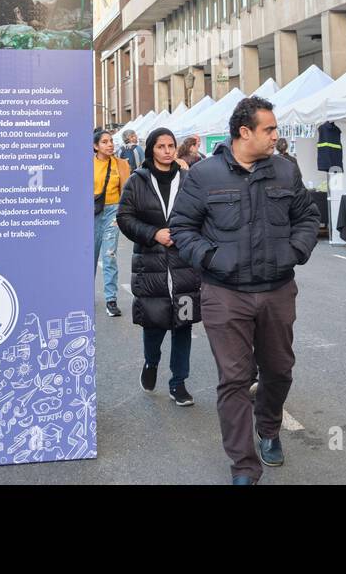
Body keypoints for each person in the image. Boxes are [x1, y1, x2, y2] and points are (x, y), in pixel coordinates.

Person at [169, 96, 320, 484]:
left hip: (277, 290)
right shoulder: (203, 175)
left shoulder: (286, 172)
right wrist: (213, 259)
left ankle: (268, 428)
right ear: (244, 132)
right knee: (234, 379)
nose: (276, 136)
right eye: (269, 129)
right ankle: (243, 466)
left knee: (279, 369)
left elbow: (307, 216)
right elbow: (182, 228)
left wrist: (295, 251)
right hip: (225, 293)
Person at [117, 127, 201, 407]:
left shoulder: (189, 180)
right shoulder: (137, 181)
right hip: (150, 264)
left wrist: (187, 235)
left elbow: (201, 214)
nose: (167, 151)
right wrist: (154, 233)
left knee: (183, 325)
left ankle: (179, 383)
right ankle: (151, 362)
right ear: (151, 149)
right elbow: (125, 218)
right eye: (161, 146)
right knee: (154, 324)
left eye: (171, 145)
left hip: (184, 265)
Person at [93, 130, 131, 318]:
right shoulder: (87, 164)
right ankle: (84, 295)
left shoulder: (120, 164)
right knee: (89, 257)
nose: (110, 145)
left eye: (111, 141)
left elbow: (126, 189)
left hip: (112, 212)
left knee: (109, 256)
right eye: (105, 142)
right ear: (95, 146)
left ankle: (111, 299)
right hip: (90, 213)